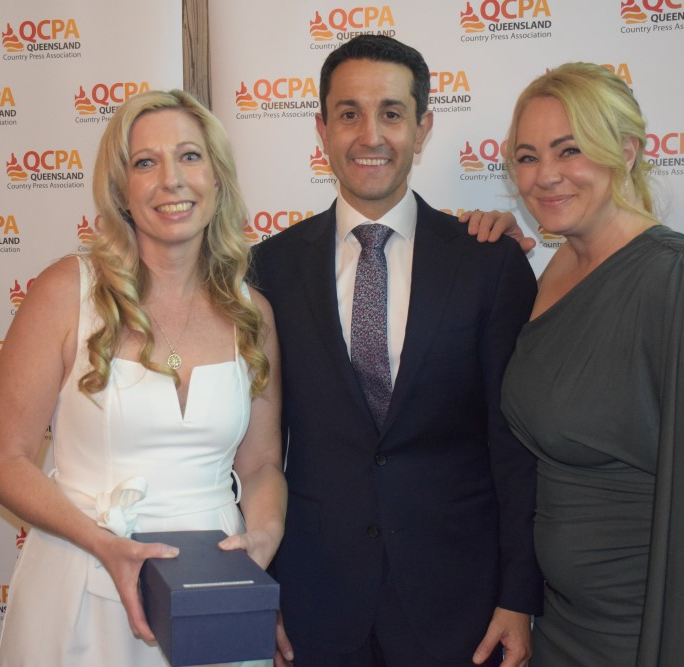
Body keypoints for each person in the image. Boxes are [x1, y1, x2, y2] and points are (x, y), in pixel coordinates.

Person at [487, 62, 684, 665]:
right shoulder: (554, 267)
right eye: (527, 157)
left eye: (569, 150)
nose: (545, 176)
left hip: (652, 633)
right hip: (560, 626)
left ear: (626, 150)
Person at [252, 35, 542, 667]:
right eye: (349, 113)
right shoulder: (266, 270)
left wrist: (519, 597)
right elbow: (250, 451)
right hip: (313, 601)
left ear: (423, 126)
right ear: (322, 129)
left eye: (391, 112)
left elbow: (515, 447)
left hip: (461, 605)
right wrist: (257, 591)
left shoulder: (488, 265)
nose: (370, 135)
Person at [0, 89, 286, 666]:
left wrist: (263, 540)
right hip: (82, 582)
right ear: (121, 189)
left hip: (210, 593)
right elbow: (3, 461)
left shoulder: (254, 313)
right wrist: (104, 544)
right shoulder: (64, 292)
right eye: (146, 162)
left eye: (190, 157)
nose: (171, 179)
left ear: (217, 178)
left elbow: (262, 464)